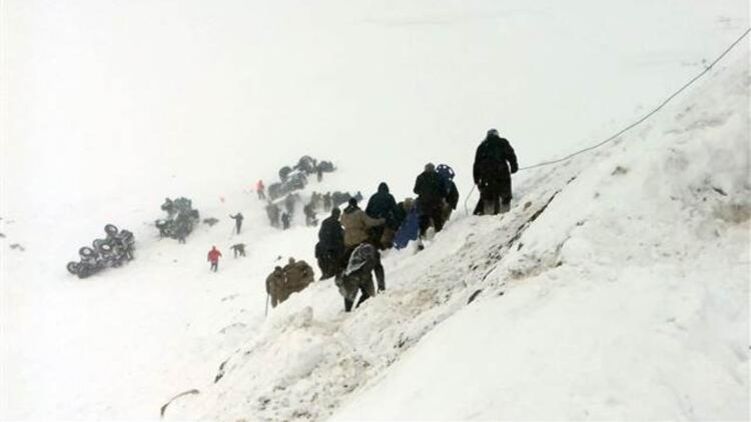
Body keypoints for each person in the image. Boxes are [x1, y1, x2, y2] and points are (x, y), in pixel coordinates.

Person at [473, 128, 518, 215]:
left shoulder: (482, 146)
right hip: (502, 172)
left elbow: (476, 164)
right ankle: (505, 212)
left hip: (487, 175)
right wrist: (514, 167)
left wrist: (476, 178)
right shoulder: (502, 142)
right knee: (505, 193)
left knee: (488, 196)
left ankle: (489, 214)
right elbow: (511, 155)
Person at [335, 243, 384, 312]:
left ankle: (359, 311)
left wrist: (381, 285)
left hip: (366, 276)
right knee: (350, 296)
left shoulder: (375, 254)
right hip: (353, 275)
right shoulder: (364, 250)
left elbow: (378, 268)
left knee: (369, 296)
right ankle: (348, 313)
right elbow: (344, 265)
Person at [413, 163, 448, 239]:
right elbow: (444, 191)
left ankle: (421, 236)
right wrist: (441, 197)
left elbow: (415, 190)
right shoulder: (438, 177)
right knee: (437, 220)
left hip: (424, 203)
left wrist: (423, 192)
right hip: (436, 203)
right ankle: (440, 236)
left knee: (424, 220)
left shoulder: (420, 177)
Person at [365, 182, 400, 249]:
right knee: (386, 237)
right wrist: (398, 222)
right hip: (385, 221)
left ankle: (378, 248)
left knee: (376, 237)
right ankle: (387, 249)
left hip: (374, 221)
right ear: (387, 189)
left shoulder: (373, 197)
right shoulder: (389, 196)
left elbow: (367, 211)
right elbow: (395, 210)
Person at [316, 208, 345, 280]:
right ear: (337, 214)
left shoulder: (325, 221)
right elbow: (339, 235)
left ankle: (326, 272)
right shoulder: (336, 223)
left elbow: (320, 234)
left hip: (323, 245)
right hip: (333, 246)